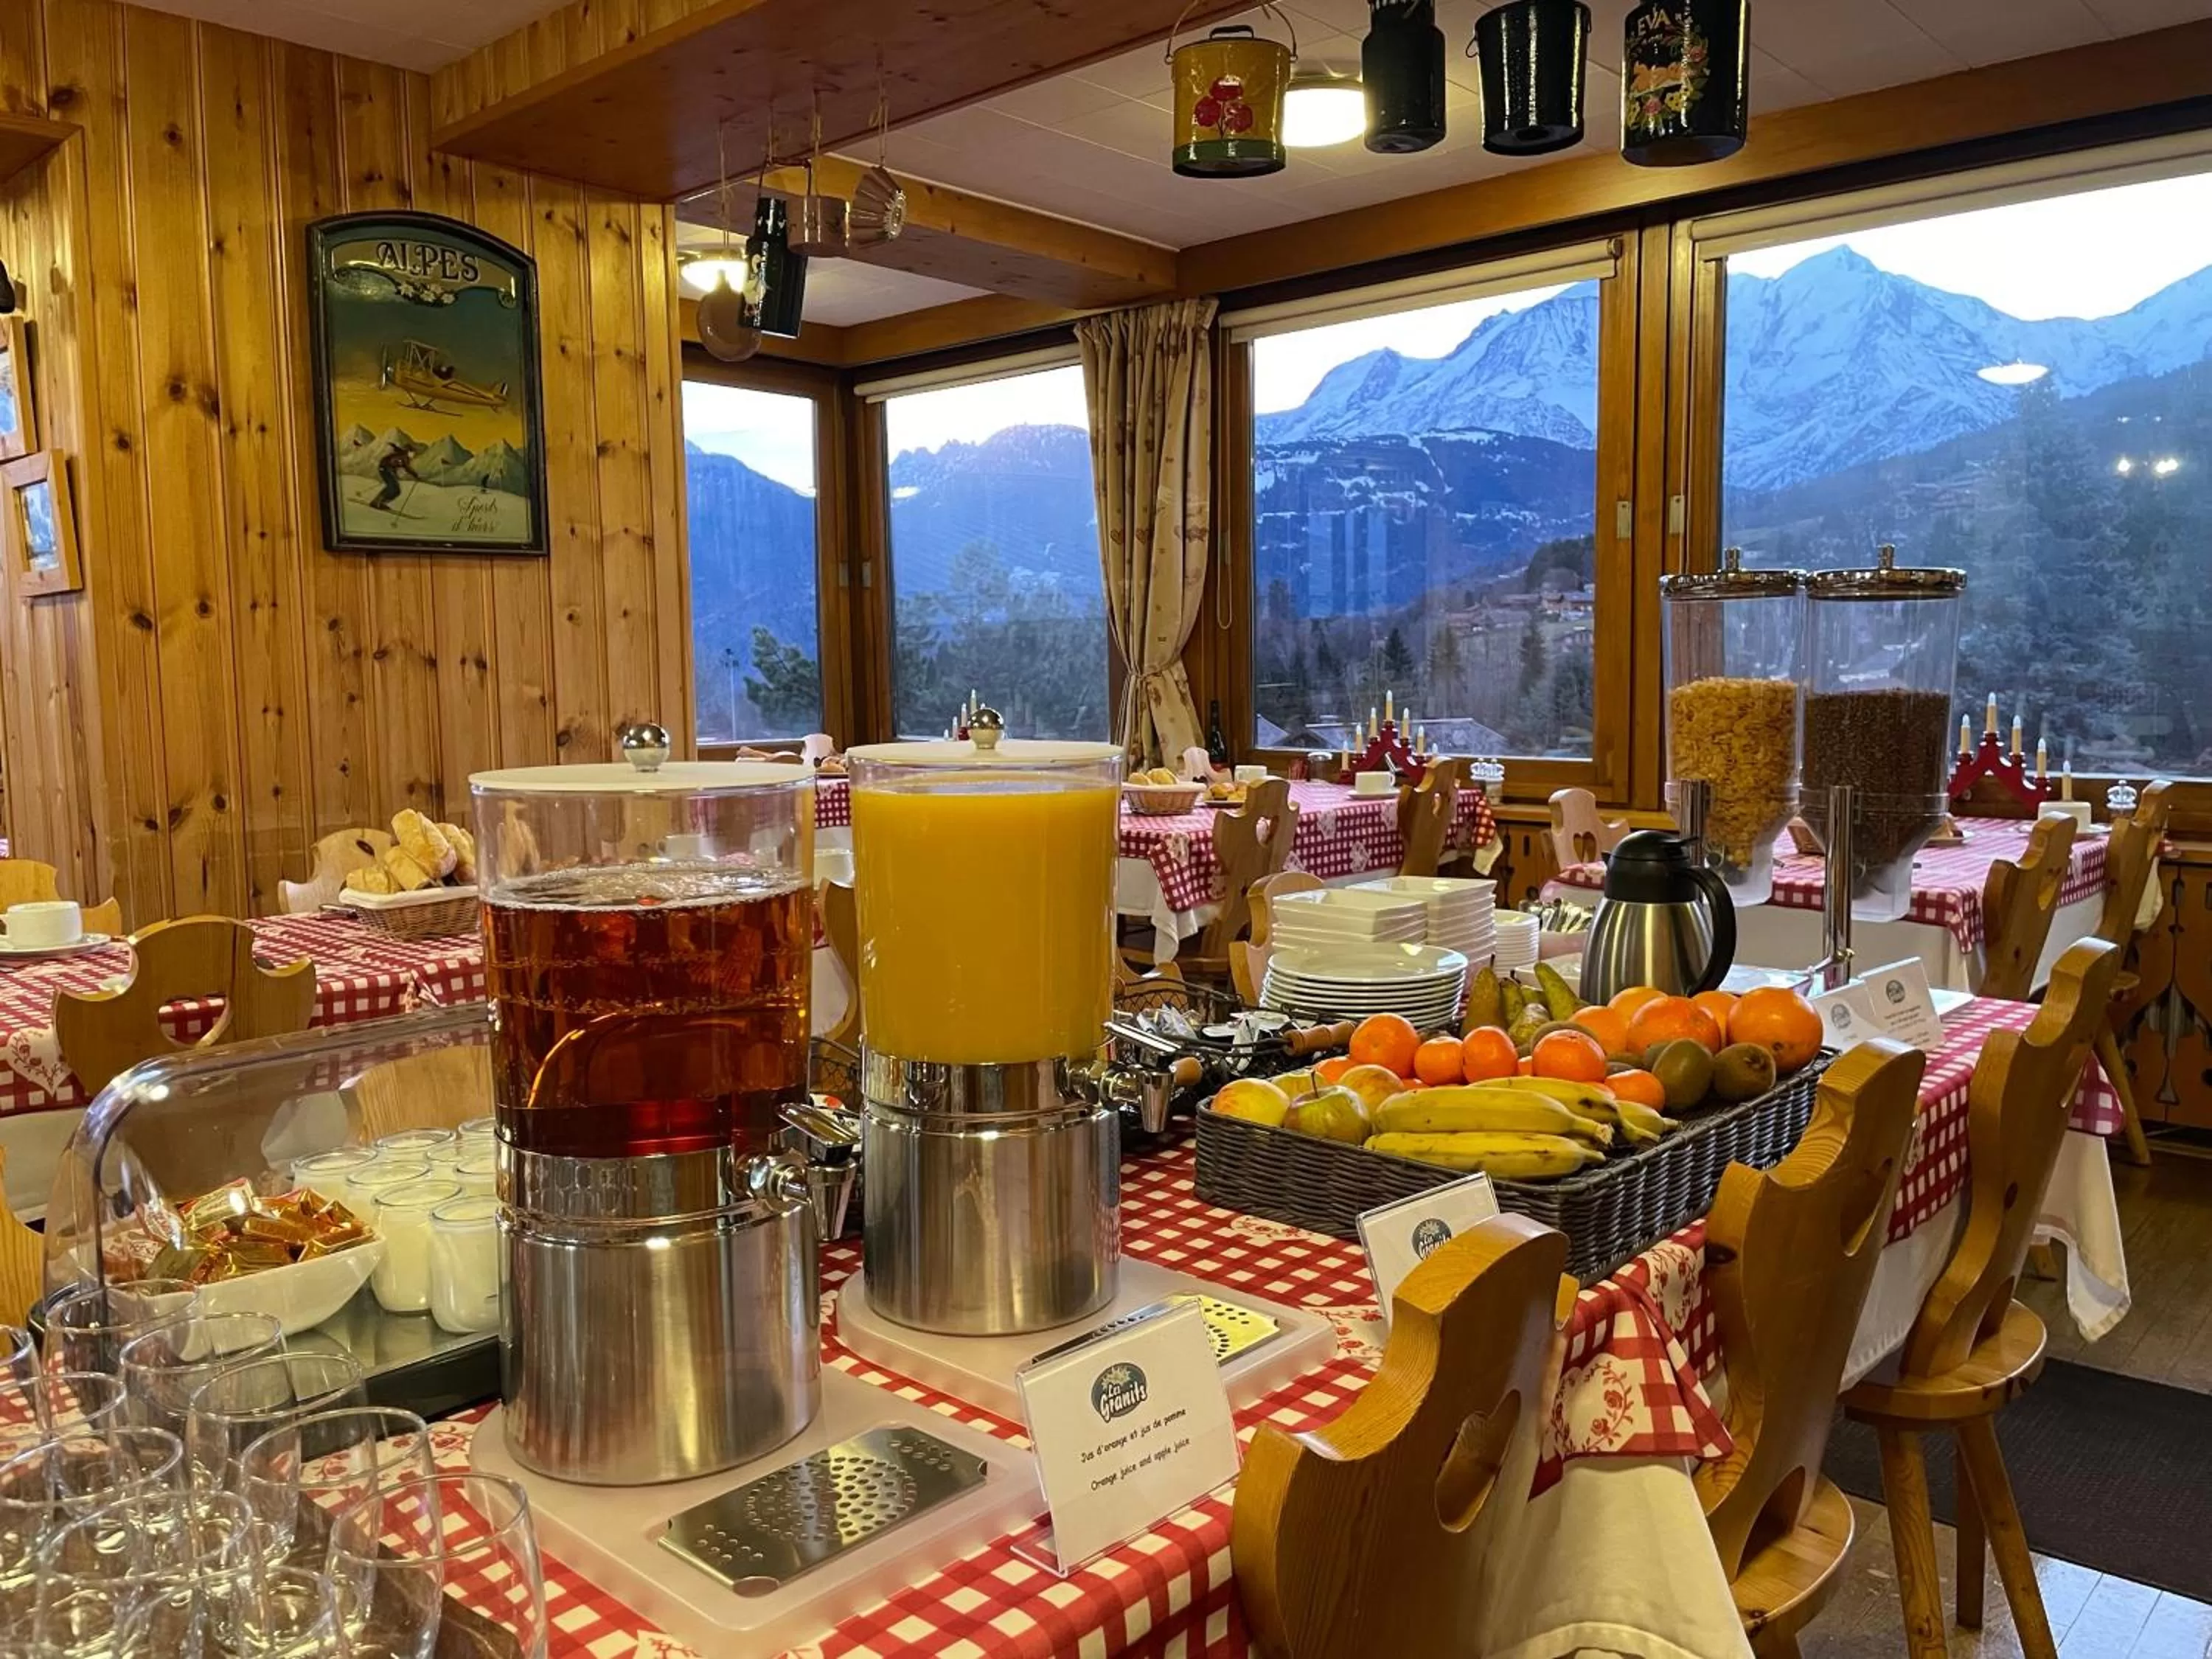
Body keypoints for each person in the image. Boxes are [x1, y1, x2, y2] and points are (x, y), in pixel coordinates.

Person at [371, 437, 419, 512]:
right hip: (385, 468)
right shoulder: (404, 457)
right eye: (412, 453)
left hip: (387, 469)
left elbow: (400, 463)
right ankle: (377, 502)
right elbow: (406, 467)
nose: (414, 455)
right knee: (392, 487)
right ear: (408, 452)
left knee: (396, 490)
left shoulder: (404, 456)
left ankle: (382, 502)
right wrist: (416, 475)